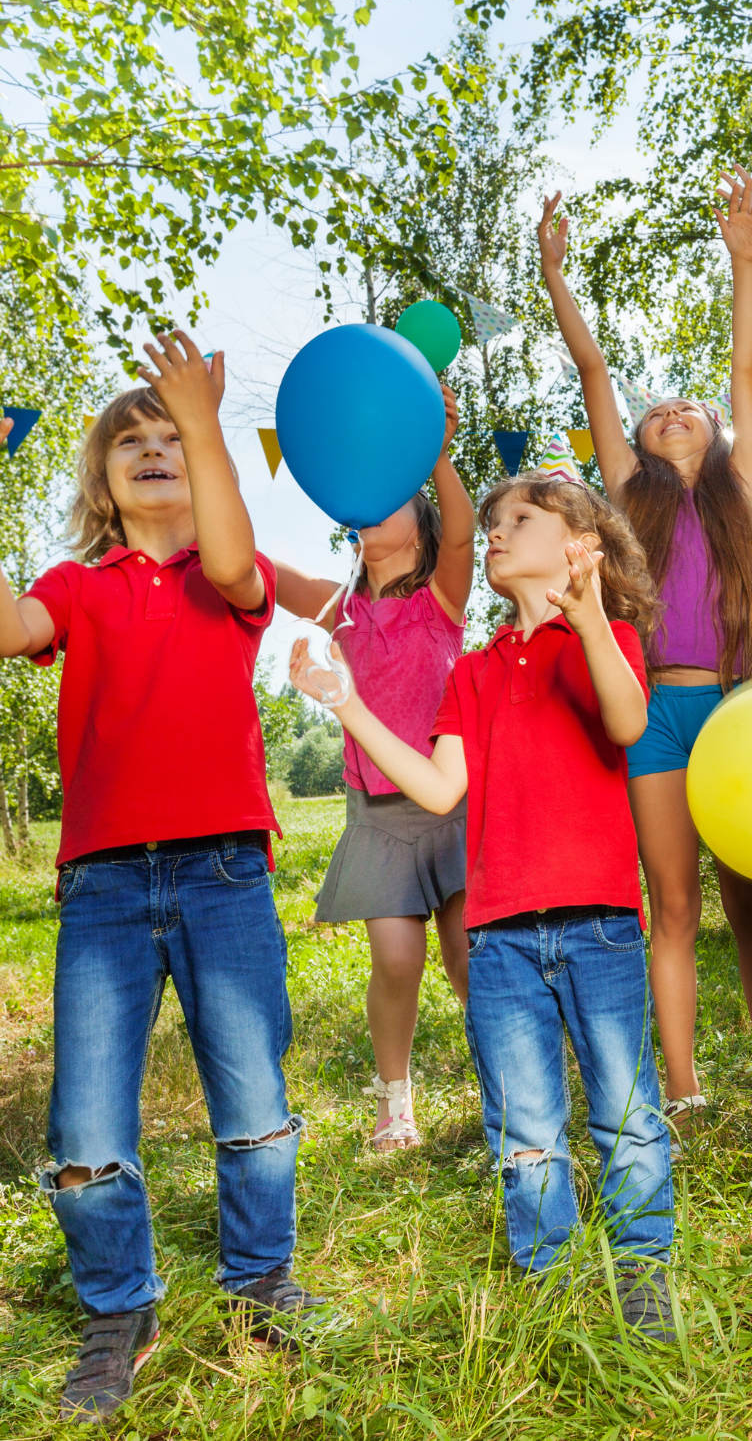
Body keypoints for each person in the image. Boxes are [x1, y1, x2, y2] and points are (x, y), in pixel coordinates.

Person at [0, 335, 325, 1422]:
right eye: (131, 442)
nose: (155, 449)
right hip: (102, 886)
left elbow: (242, 563)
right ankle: (119, 1306)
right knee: (87, 1135)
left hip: (223, 873)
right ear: (100, 483)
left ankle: (261, 1280)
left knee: (253, 1106)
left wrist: (206, 422)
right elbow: (4, 629)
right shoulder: (79, 585)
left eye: (172, 441)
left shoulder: (224, 578)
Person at [294, 471, 677, 1338]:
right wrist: (345, 704)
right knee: (525, 1126)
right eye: (493, 522)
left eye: (519, 520)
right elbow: (435, 790)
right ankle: (548, 1275)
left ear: (582, 545)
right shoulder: (471, 670)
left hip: (601, 923)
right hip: (499, 935)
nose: (495, 533)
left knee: (624, 1111)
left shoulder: (608, 638)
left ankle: (645, 1267)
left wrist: (582, 618)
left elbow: (623, 722)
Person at [537, 171, 752, 1146]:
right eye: (658, 410)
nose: (675, 409)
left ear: (718, 436)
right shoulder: (626, 501)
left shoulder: (736, 493)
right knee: (673, 906)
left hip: (735, 713)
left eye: (692, 407)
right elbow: (596, 373)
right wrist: (559, 280)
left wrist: (742, 261)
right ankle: (682, 1091)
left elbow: (748, 370)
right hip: (654, 720)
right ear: (633, 441)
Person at [273, 386, 474, 1152]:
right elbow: (267, 575)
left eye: (391, 499)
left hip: (451, 809)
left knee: (465, 960)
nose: (367, 508)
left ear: (418, 527)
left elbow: (460, 530)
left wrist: (435, 450)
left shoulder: (443, 599)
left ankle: (505, 1080)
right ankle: (396, 1102)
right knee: (396, 958)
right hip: (378, 817)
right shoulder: (341, 607)